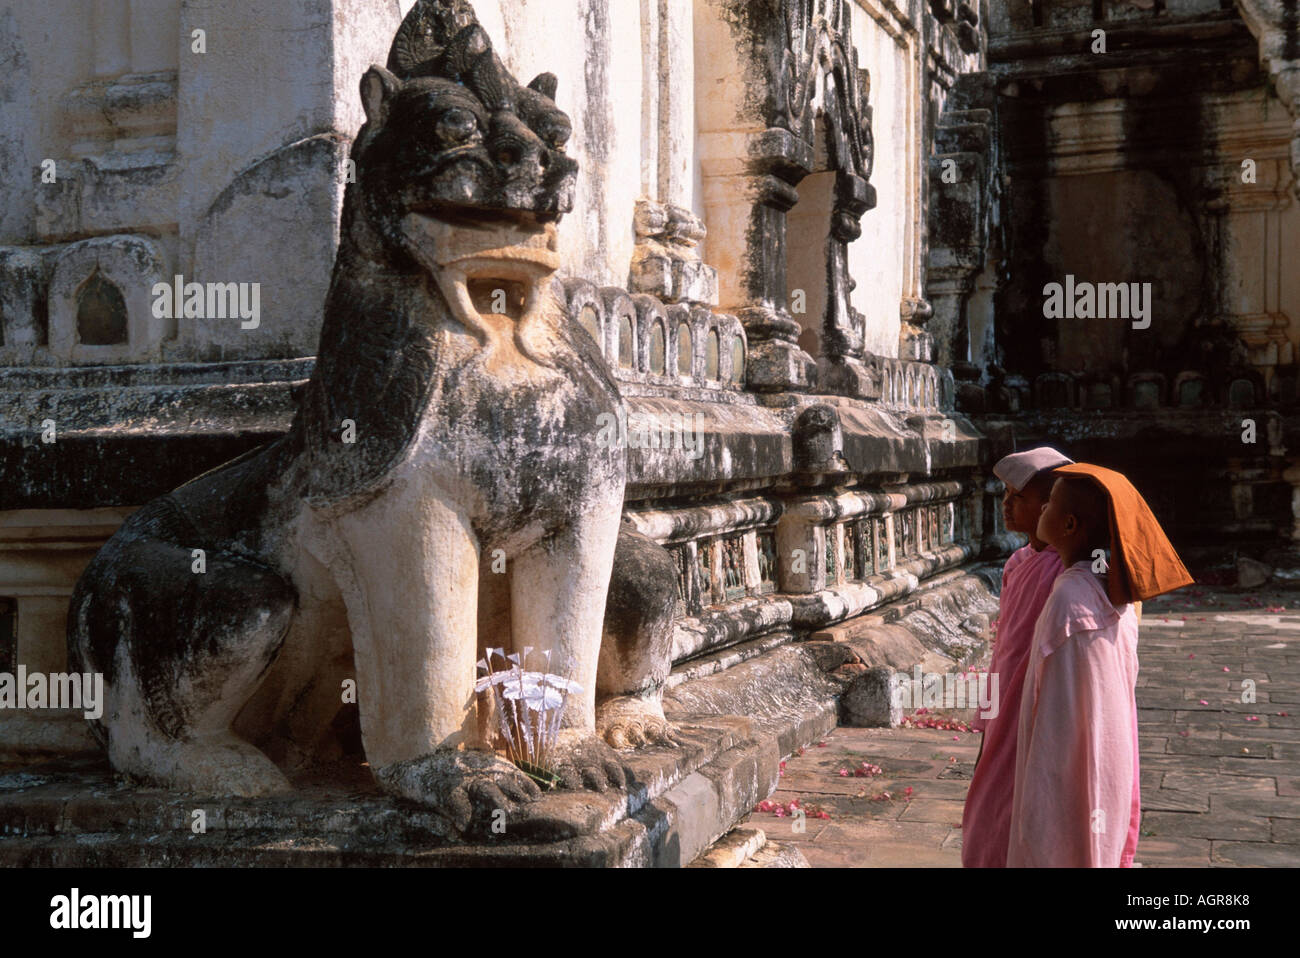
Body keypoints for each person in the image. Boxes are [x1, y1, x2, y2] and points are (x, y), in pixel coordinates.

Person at [1007, 463, 1193, 867]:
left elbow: (1056, 715)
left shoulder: (1070, 599)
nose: (1041, 510)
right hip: (1109, 750)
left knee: (1060, 842)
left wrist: (1040, 787)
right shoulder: (1109, 586)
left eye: (1050, 504)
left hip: (1066, 758)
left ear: (1069, 524)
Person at [961, 446, 1073, 868]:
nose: (1006, 505)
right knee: (989, 807)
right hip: (1004, 699)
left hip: (1039, 704)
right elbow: (1003, 647)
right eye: (1005, 494)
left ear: (1050, 506)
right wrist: (987, 716)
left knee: (1030, 809)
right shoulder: (1017, 563)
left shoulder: (1069, 572)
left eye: (1018, 498)